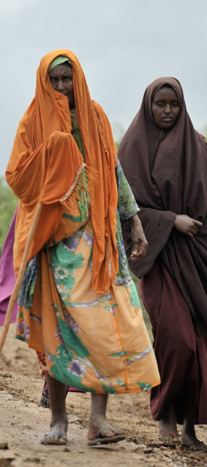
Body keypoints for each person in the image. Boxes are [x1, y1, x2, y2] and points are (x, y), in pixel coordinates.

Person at [6, 50, 160, 446]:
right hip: (56, 243)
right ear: (44, 82)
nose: (61, 87)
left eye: (67, 79)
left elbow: (112, 168)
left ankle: (98, 420)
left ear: (79, 80)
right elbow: (18, 178)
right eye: (54, 80)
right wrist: (54, 150)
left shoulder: (95, 116)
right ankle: (58, 420)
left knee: (106, 327)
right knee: (59, 330)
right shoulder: (33, 120)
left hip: (101, 239)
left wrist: (134, 219)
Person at [118, 77, 207, 450]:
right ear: (148, 106)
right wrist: (172, 220)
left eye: (174, 104)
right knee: (176, 339)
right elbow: (126, 207)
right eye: (161, 104)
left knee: (200, 345)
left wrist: (190, 225)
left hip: (197, 256)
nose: (167, 111)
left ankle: (188, 428)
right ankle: (165, 413)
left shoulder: (199, 148)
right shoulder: (132, 148)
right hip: (158, 256)